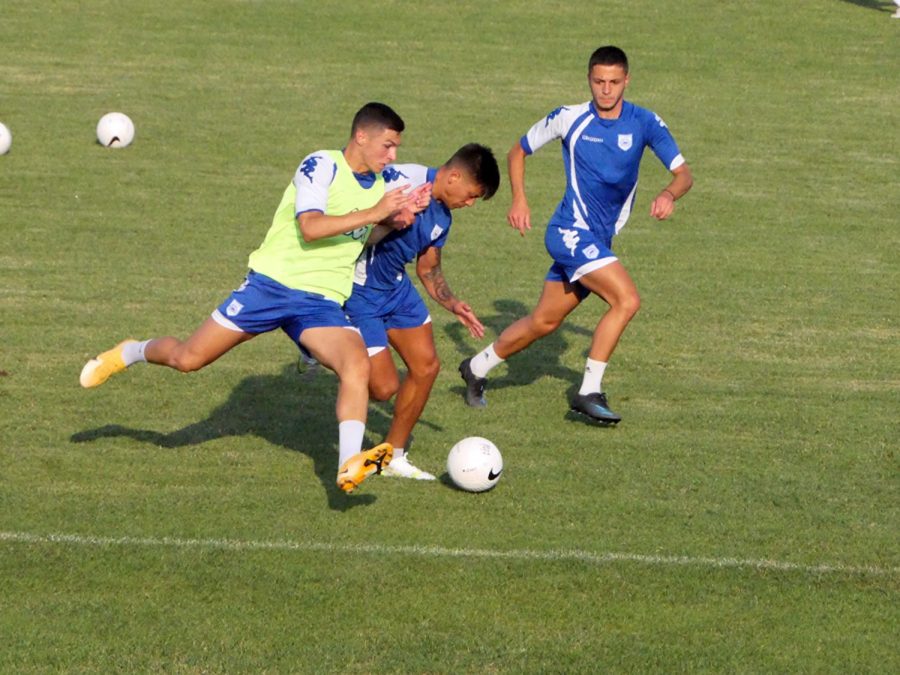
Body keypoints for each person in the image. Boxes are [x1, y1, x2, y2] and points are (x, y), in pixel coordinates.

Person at [80, 102, 429, 494]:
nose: (393, 155)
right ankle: (130, 351)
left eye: (397, 148)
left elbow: (360, 235)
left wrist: (392, 221)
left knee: (356, 365)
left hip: (321, 302)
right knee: (187, 359)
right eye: (387, 145)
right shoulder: (321, 165)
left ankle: (348, 467)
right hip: (271, 287)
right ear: (361, 137)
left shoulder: (382, 188)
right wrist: (375, 212)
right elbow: (311, 227)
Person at [459, 46, 693, 425]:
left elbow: (684, 174)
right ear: (589, 80)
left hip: (598, 241)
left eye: (614, 82)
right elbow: (517, 151)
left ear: (627, 81)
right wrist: (519, 199)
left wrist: (668, 193)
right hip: (569, 232)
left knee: (543, 323)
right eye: (599, 81)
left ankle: (476, 367)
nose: (606, 90)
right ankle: (589, 391)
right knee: (627, 300)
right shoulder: (569, 118)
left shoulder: (646, 122)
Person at [344, 144, 500, 479]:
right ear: (454, 176)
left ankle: (392, 457)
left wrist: (453, 302)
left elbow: (428, 269)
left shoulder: (443, 216)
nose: (470, 203)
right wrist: (394, 217)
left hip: (396, 292)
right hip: (360, 293)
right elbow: (356, 230)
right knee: (383, 389)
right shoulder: (402, 181)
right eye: (472, 195)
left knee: (427, 366)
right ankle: (322, 346)